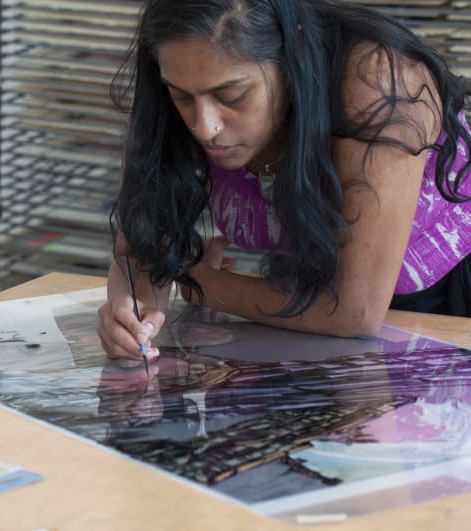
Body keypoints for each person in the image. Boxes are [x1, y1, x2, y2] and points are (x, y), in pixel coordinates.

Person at [97, 0, 471, 361]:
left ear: (289, 64)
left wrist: (198, 281)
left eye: (233, 95)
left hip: (451, 301)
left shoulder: (378, 82)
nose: (204, 127)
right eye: (181, 96)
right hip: (305, 299)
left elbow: (355, 312)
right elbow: (141, 250)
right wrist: (132, 313)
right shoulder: (171, 96)